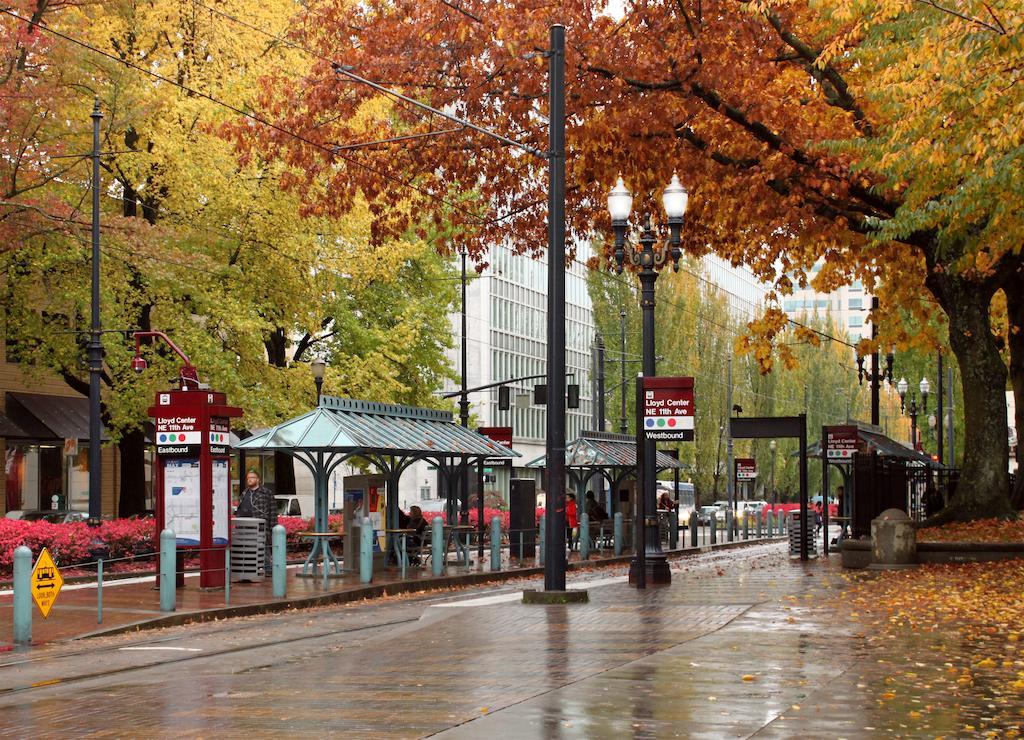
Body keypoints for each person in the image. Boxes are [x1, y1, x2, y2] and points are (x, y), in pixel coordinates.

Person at [236, 470, 277, 566]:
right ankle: (249, 568)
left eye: (252, 477)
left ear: (258, 479)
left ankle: (267, 569)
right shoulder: (244, 493)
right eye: (248, 478)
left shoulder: (266, 493)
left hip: (260, 527)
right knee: (248, 550)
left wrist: (272, 528)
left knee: (263, 549)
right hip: (245, 528)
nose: (249, 480)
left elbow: (273, 511)